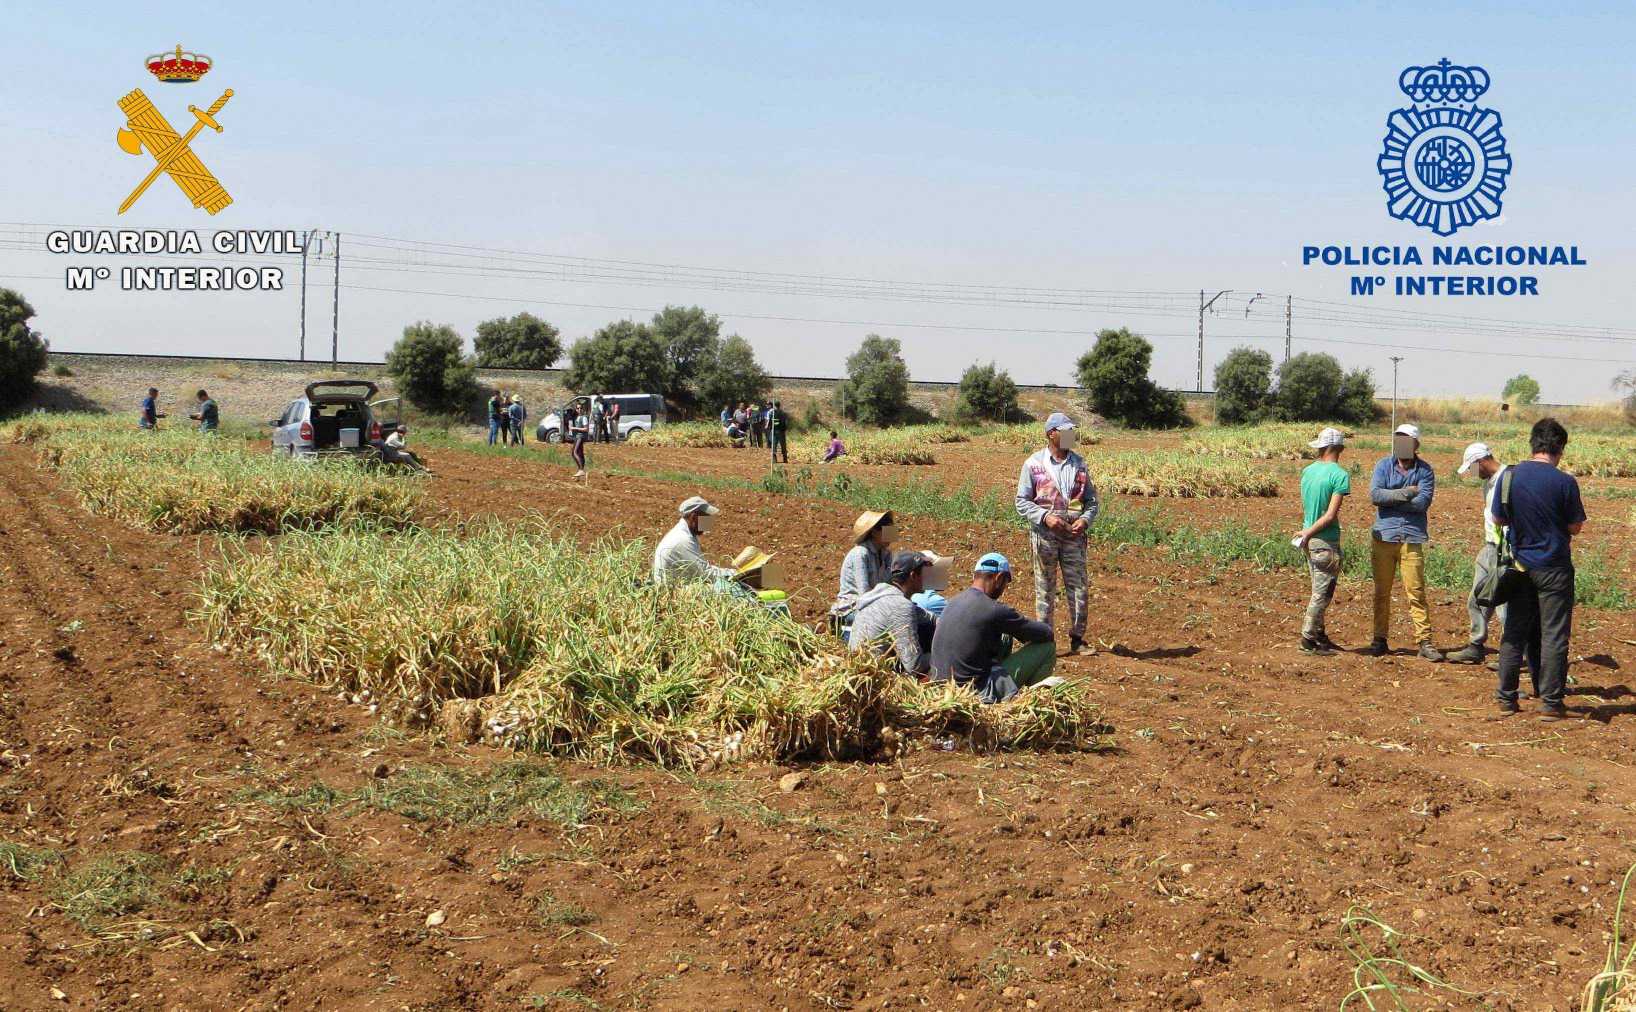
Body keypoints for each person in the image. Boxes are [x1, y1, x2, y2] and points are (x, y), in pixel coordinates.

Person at [1493, 418, 1586, 721]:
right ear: (1559, 447)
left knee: (1515, 632)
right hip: (1554, 569)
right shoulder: (1564, 482)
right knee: (1554, 636)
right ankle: (1550, 703)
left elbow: (1498, 520)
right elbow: (1575, 527)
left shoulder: (1508, 477)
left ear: (1533, 443)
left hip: (1520, 567)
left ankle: (1506, 699)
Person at [1015, 412, 1099, 656]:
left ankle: (1077, 638)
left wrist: (1085, 519)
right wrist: (1046, 517)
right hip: (1045, 536)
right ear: (1052, 434)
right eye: (1066, 431)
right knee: (1045, 587)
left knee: (1079, 587)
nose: (1071, 435)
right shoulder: (1033, 464)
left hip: (1074, 536)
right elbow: (1021, 501)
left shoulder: (1080, 464)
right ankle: (1045, 641)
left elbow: (1092, 501)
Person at [929, 553, 1060, 703]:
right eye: (1005, 583)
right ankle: (1031, 701)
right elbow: (1045, 634)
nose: (1004, 588)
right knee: (1047, 648)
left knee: (1005, 637)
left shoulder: (953, 602)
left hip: (942, 688)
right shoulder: (994, 609)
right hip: (974, 692)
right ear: (998, 578)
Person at [1367, 423, 1443, 661]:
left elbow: (1423, 504)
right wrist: (1408, 492)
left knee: (1416, 592)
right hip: (1384, 537)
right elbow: (1375, 496)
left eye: (1406, 440)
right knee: (1381, 592)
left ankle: (1425, 641)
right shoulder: (1383, 465)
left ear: (1415, 445)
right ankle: (1379, 638)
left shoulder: (1426, 471)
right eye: (1398, 439)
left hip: (1411, 537)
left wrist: (1391, 498)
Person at [1447, 442, 1517, 666]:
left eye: (1472, 467)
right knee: (1477, 598)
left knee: (1504, 605)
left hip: (1505, 549)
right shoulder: (1487, 483)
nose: (1471, 473)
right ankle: (1476, 645)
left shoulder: (1509, 479)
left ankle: (1512, 654)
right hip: (1489, 547)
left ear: (1481, 461)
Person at [1293, 427, 1350, 655]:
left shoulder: (1308, 471)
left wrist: (1306, 533)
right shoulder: (1340, 475)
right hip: (1324, 540)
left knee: (1318, 587)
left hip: (1308, 539)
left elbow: (1309, 507)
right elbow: (1329, 515)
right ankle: (1308, 639)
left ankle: (1319, 635)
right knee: (1322, 593)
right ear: (1339, 448)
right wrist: (1310, 533)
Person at [849, 551, 939, 676]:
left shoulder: (882, 596)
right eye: (926, 574)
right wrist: (942, 654)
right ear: (913, 576)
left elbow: (930, 617)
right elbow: (914, 665)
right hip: (876, 678)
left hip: (857, 668)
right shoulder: (900, 606)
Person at [830, 510, 895, 631]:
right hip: (852, 608)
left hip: (876, 605)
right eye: (888, 531)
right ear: (875, 532)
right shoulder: (860, 554)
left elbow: (889, 586)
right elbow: (864, 595)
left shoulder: (886, 555)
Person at [653, 496, 736, 584]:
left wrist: (730, 572)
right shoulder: (683, 539)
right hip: (672, 590)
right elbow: (706, 574)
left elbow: (703, 568)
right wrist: (735, 573)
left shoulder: (685, 533)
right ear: (694, 517)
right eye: (706, 518)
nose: (708, 523)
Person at [568, 401, 590, 478]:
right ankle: (580, 472)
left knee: (574, 452)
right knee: (580, 453)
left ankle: (581, 470)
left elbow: (586, 429)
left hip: (580, 436)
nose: (579, 409)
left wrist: (575, 428)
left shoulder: (584, 418)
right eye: (578, 408)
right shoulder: (576, 417)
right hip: (577, 436)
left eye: (581, 408)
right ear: (576, 409)